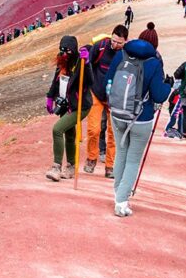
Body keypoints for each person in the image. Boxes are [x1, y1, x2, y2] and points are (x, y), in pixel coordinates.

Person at [104, 25, 171, 215]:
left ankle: (119, 192)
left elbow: (107, 81)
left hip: (117, 113)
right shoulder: (154, 63)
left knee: (121, 153)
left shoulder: (121, 55)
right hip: (141, 118)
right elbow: (158, 96)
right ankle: (121, 201)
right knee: (133, 160)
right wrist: (168, 85)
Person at [44, 35, 93, 181]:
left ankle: (56, 167)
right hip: (66, 103)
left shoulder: (80, 62)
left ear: (74, 50)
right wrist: (50, 97)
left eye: (68, 51)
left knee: (57, 129)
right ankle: (71, 166)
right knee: (69, 135)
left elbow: (90, 81)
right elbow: (56, 80)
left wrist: (87, 63)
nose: (64, 53)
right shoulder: (62, 60)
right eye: (62, 50)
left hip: (79, 105)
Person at [84, 25, 128, 178]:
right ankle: (91, 158)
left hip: (115, 99)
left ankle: (110, 166)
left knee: (113, 134)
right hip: (96, 93)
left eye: (119, 43)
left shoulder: (126, 55)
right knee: (93, 129)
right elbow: (88, 60)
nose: (115, 45)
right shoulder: (101, 47)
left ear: (125, 42)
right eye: (114, 41)